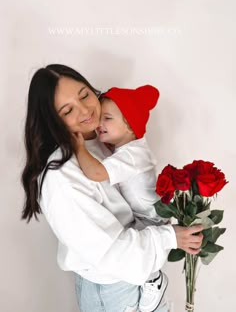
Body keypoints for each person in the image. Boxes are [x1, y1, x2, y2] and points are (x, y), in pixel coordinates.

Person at [21, 64, 203, 312]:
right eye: (68, 110)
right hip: (112, 288)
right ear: (53, 120)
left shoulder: (98, 137)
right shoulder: (61, 177)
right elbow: (110, 251)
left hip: (133, 274)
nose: (85, 110)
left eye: (84, 95)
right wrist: (170, 237)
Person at [74, 85, 168, 312]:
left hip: (151, 219)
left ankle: (153, 278)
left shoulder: (133, 154)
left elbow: (96, 173)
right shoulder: (123, 150)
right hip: (140, 216)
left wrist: (77, 146)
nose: (99, 124)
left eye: (107, 118)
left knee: (137, 249)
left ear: (129, 124)